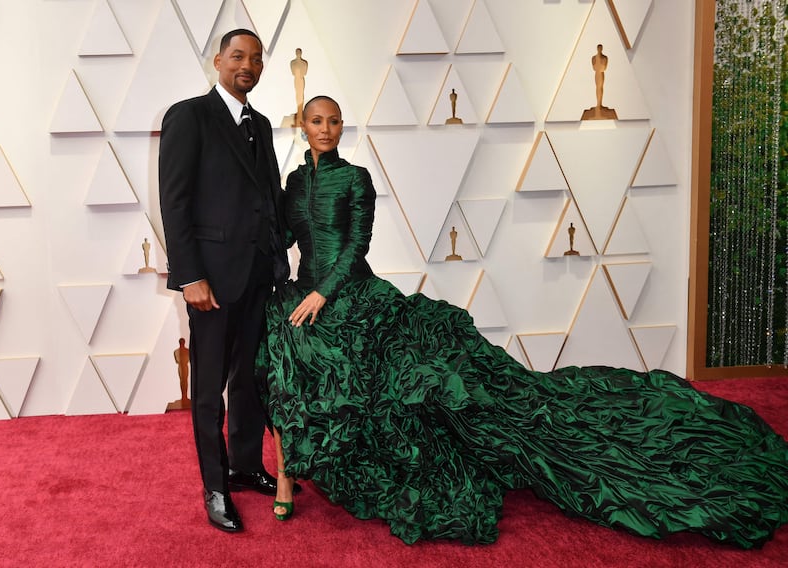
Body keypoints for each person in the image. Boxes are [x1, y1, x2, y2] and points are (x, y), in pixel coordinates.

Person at [265, 95, 788, 547]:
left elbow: (357, 246)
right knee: (283, 363)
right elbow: (288, 239)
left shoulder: (356, 178)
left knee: (444, 391)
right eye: (317, 121)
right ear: (303, 126)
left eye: (335, 121)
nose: (327, 129)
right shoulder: (292, 182)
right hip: (306, 298)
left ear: (342, 127)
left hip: (352, 296)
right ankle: (287, 482)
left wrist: (320, 294)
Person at [159, 29, 293, 533]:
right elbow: (174, 201)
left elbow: (270, 197)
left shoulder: (259, 123)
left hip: (260, 275)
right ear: (218, 61)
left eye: (256, 59)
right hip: (210, 280)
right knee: (210, 387)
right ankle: (215, 488)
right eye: (238, 56)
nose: (248, 66)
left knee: (251, 380)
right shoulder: (189, 115)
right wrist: (189, 274)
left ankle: (243, 466)